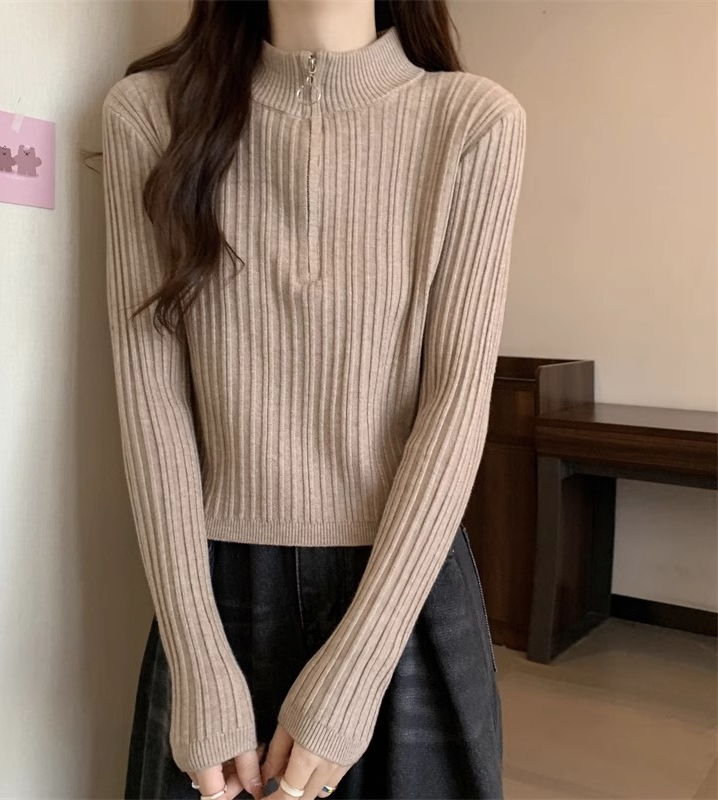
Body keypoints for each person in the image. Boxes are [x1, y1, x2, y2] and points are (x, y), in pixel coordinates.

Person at [100, 1, 527, 798]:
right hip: (213, 594)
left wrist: (359, 668)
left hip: (404, 590)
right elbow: (150, 399)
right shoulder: (150, 115)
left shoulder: (472, 121)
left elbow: (456, 403)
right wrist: (197, 657)